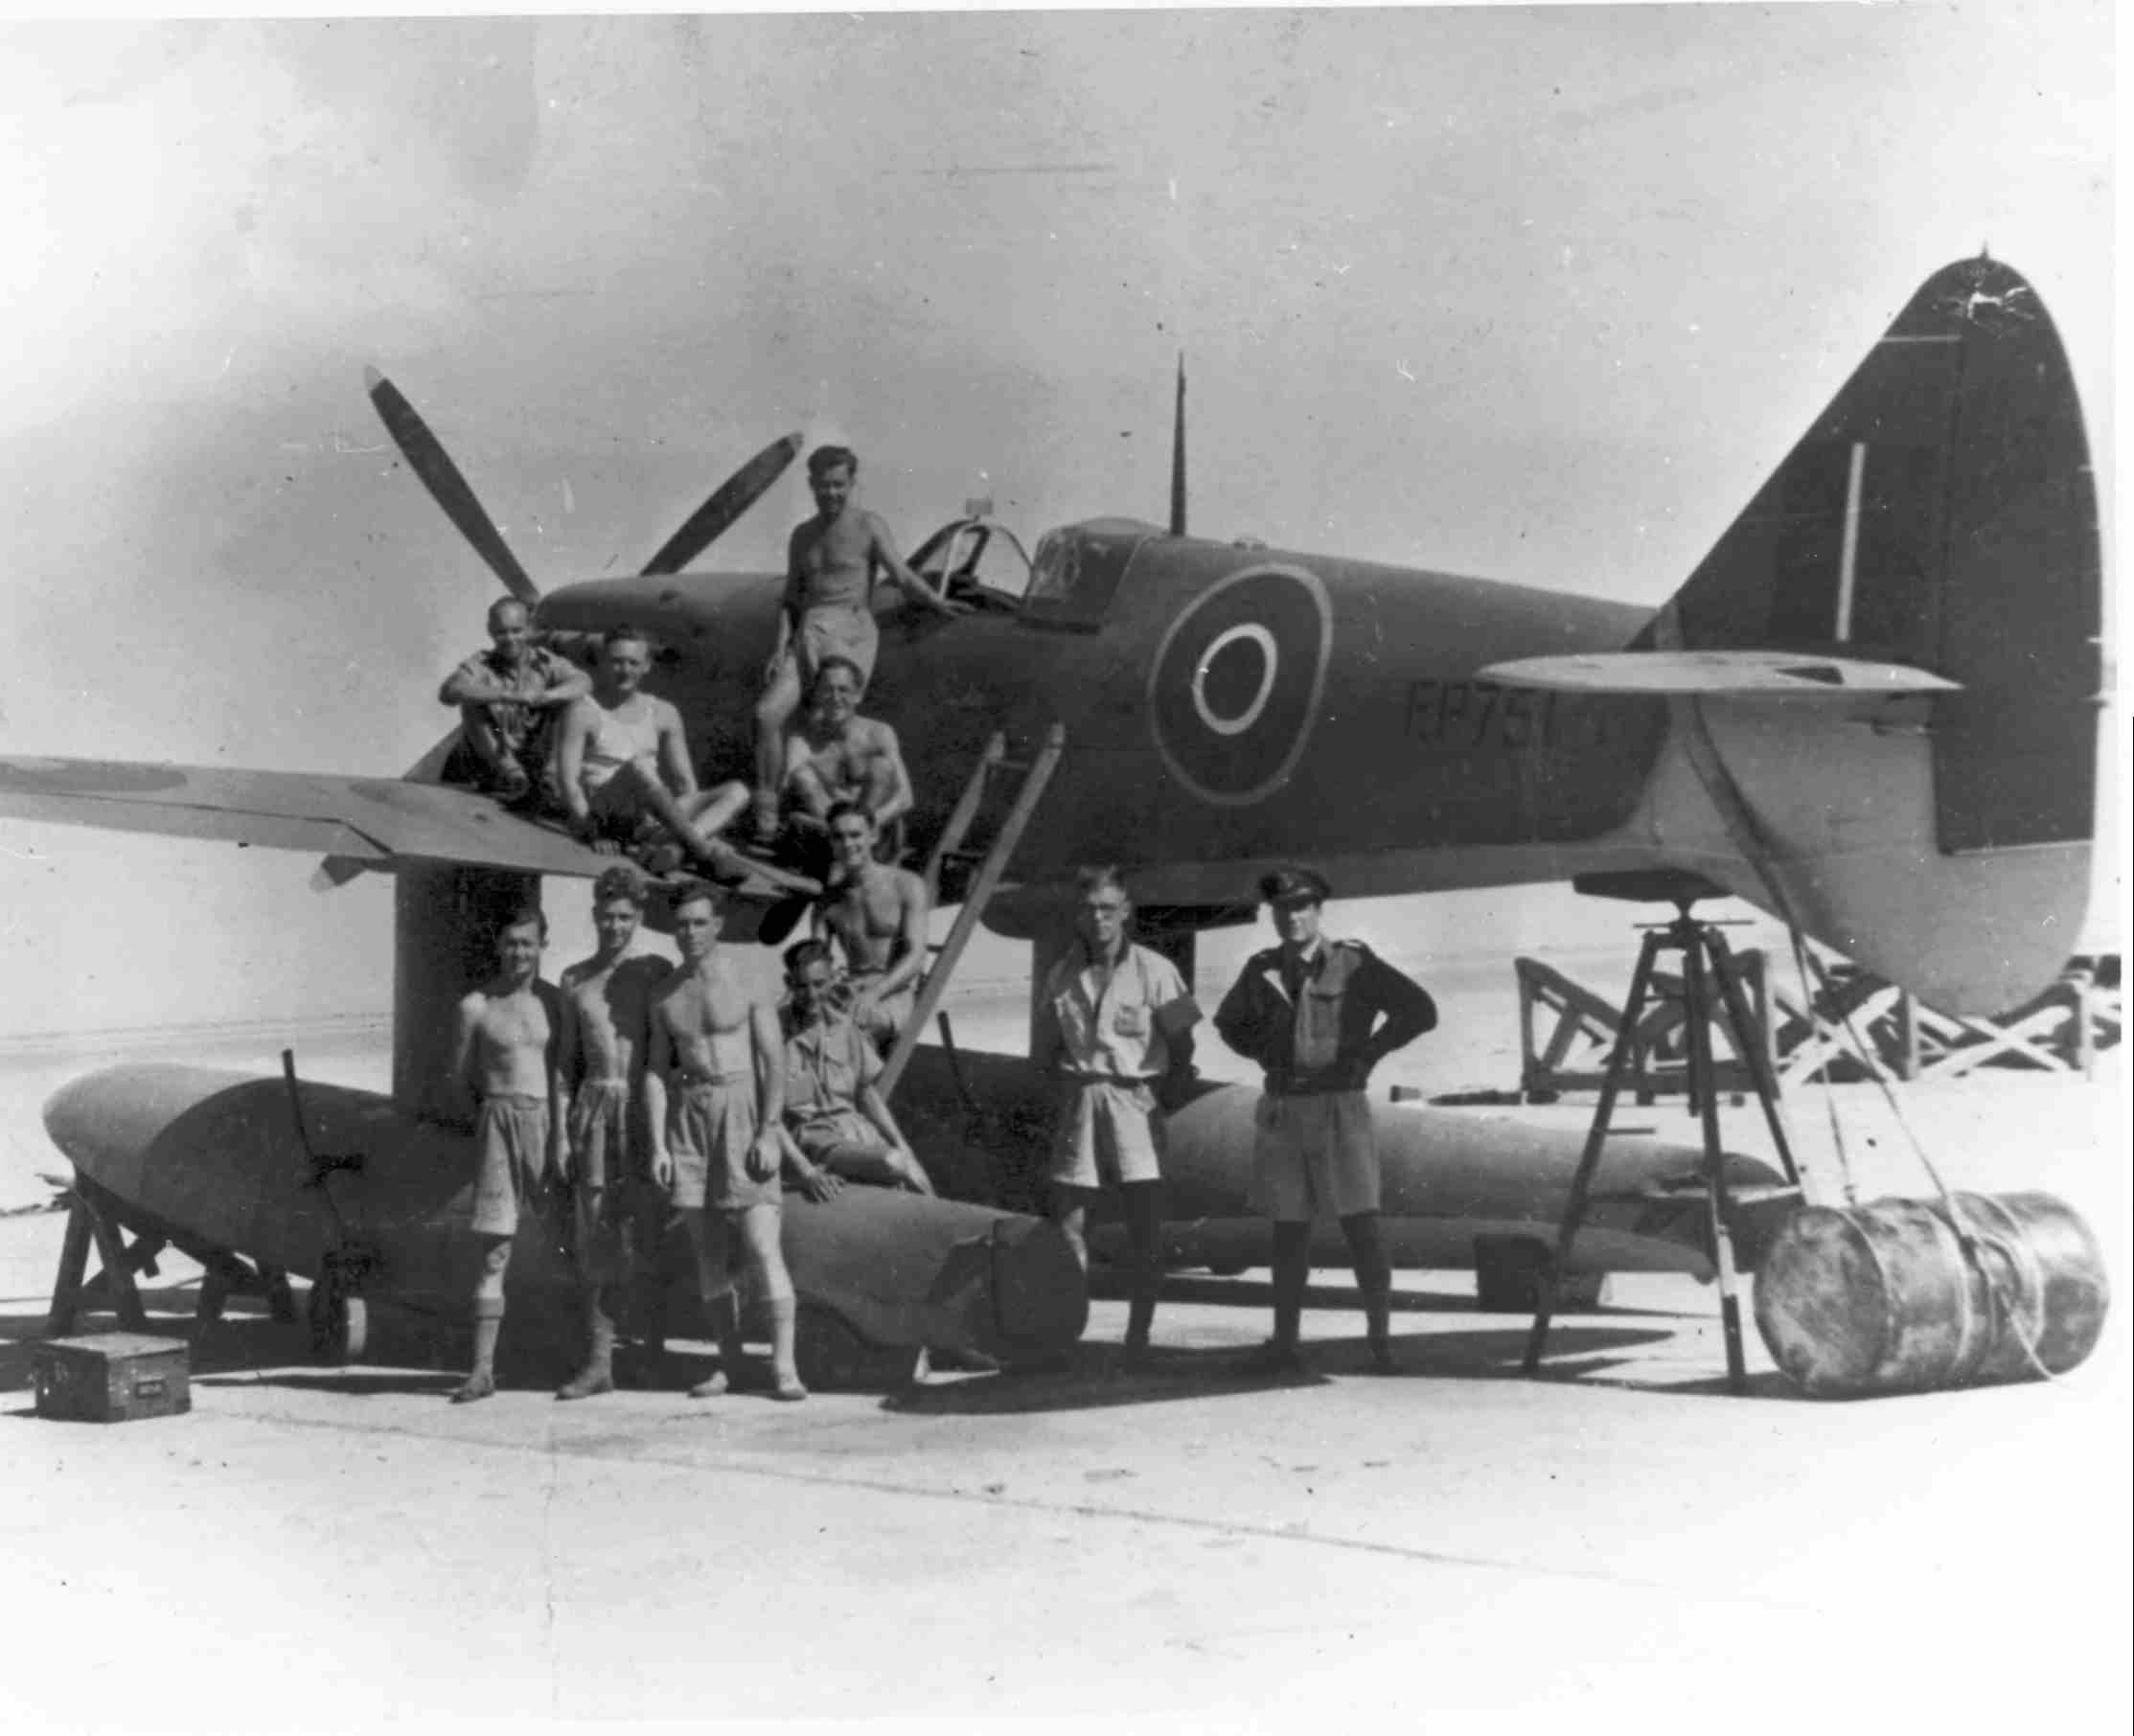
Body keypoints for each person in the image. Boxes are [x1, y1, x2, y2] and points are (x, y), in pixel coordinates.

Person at [1212, 867, 1437, 1376]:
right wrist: (1269, 1055)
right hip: (1286, 1108)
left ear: (1318, 911)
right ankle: (1285, 1344)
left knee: (1361, 1224)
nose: (1291, 918)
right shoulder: (1262, 969)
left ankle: (1380, 1342)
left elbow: (1420, 1011)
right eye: (1281, 909)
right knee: (1288, 1230)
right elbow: (1228, 1024)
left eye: (1301, 907)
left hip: (1340, 1107)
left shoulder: (1354, 962)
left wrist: (1368, 1056)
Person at [749, 445, 963, 846]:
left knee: (835, 718)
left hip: (850, 631)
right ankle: (768, 809)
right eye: (823, 485)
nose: (831, 493)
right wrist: (780, 648)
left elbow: (901, 574)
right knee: (766, 714)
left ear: (851, 484)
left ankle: (855, 819)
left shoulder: (868, 525)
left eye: (838, 484)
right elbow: (791, 599)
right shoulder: (802, 536)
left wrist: (935, 601)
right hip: (809, 630)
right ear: (811, 485)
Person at [1031, 867, 1201, 1368]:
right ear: (1078, 914)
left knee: (1144, 1228)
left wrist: (1159, 1094)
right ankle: (1066, 1336)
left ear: (1126, 911)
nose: (1099, 919)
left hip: (1135, 1100)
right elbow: (1048, 1044)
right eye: (1089, 909)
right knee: (1070, 1224)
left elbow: (1185, 1041)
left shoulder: (1157, 970)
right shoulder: (1061, 975)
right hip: (1081, 1099)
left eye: (1108, 908)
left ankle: (1137, 1338)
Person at [644, 880, 806, 1401]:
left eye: (699, 922)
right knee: (707, 1253)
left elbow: (774, 1060)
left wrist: (769, 1130)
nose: (690, 933)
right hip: (689, 1116)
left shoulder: (749, 978)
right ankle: (730, 1362)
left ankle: (784, 1367)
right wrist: (659, 1144)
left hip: (741, 1108)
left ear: (718, 924)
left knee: (761, 1243)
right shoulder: (666, 994)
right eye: (682, 924)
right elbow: (655, 1071)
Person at [553, 864, 674, 1401]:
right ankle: (599, 1363)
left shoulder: (655, 971)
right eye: (607, 916)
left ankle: (653, 1355)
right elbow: (565, 1063)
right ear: (594, 914)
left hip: (646, 1111)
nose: (615, 926)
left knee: (648, 1232)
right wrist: (560, 1135)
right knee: (598, 1236)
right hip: (594, 1110)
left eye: (625, 916)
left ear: (639, 917)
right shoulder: (575, 979)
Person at [442, 904, 566, 1404]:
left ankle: (571, 1357)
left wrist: (560, 1135)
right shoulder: (475, 1006)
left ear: (542, 946)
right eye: (511, 943)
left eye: (528, 943)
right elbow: (458, 1080)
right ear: (499, 946)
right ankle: (482, 1371)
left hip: (548, 1124)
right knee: (494, 1252)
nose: (519, 953)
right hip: (496, 1121)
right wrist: (487, 1123)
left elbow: (566, 1072)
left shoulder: (555, 1003)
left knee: (566, 1240)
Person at [551, 625, 756, 881]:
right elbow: (569, 783)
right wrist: (593, 833)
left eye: (633, 663)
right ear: (603, 662)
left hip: (649, 819)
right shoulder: (583, 711)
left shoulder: (663, 712)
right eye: (616, 661)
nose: (625, 670)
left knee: (738, 791)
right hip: (607, 814)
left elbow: (685, 783)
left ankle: (676, 849)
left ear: (646, 666)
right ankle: (702, 852)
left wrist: (701, 824)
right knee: (640, 766)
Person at [779, 939, 934, 1199]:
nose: (812, 995)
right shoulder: (774, 1034)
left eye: (819, 984)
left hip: (857, 1133)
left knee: (913, 1175)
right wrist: (806, 1172)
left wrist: (906, 1148)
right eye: (802, 986)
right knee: (893, 1163)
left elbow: (866, 1094)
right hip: (814, 1140)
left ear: (833, 979)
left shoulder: (844, 1027)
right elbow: (768, 1118)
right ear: (789, 983)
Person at [438, 596, 589, 803]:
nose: (509, 639)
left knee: (573, 704)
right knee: (471, 701)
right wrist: (509, 696)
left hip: (536, 756)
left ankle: (552, 780)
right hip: (494, 755)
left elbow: (583, 682)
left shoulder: (547, 662)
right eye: (501, 632)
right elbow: (450, 691)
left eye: (516, 630)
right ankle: (511, 773)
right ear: (491, 632)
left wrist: (548, 696)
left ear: (529, 629)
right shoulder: (480, 664)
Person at [812, 800, 931, 1050]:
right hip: (850, 989)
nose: (847, 844)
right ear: (831, 842)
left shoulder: (906, 885)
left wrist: (875, 993)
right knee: (779, 1020)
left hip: (894, 991)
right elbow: (813, 963)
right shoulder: (827, 902)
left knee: (849, 1026)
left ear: (873, 836)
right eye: (838, 837)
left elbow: (916, 955)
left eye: (855, 835)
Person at [779, 655, 915, 844]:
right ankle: (839, 837)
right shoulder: (802, 741)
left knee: (881, 766)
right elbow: (786, 792)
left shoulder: (878, 733)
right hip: (828, 833)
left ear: (858, 695)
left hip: (873, 834)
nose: (835, 698)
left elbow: (905, 797)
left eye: (843, 690)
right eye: (827, 690)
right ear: (816, 694)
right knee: (801, 776)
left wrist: (869, 824)